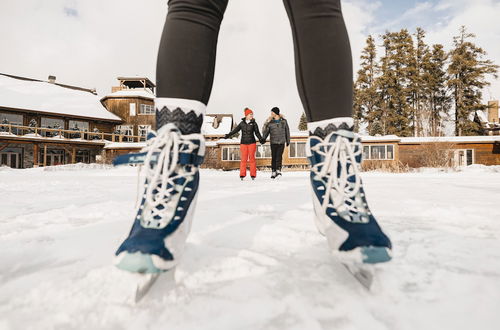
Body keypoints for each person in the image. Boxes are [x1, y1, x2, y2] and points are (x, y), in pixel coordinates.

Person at [114, 0, 392, 275]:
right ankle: (174, 164)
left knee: (317, 3)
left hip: (258, 143)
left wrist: (261, 137)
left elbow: (262, 130)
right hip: (245, 143)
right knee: (193, 2)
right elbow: (243, 131)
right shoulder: (254, 123)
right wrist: (234, 133)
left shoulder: (271, 122)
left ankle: (334, 165)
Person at [224, 108, 264, 180]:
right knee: (243, 159)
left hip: (252, 143)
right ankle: (242, 174)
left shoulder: (254, 123)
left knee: (252, 159)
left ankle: (253, 175)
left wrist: (261, 139)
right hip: (243, 143)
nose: (252, 115)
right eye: (250, 114)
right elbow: (235, 130)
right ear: (246, 115)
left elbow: (257, 133)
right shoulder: (242, 123)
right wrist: (228, 135)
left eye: (252, 114)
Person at [262, 107, 290, 179]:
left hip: (281, 142)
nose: (271, 114)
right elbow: (265, 132)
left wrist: (288, 140)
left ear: (276, 113)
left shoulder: (284, 121)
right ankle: (273, 171)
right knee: (274, 157)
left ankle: (278, 170)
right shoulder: (270, 122)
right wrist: (263, 138)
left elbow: (287, 131)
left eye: (272, 112)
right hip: (273, 142)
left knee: (279, 156)